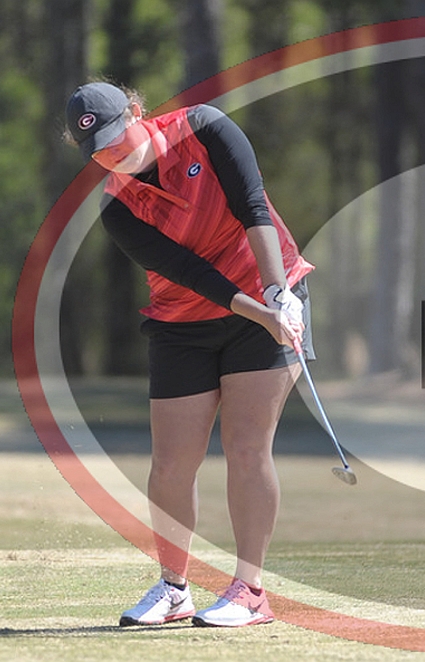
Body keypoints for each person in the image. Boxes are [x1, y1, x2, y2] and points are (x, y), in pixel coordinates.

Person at [65, 81, 315, 628]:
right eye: (99, 150)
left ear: (137, 112)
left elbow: (254, 208)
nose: (113, 153)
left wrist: (279, 295)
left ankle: (249, 592)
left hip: (269, 291)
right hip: (183, 318)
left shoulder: (204, 127)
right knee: (171, 463)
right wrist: (262, 311)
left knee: (247, 448)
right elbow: (191, 274)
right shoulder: (115, 208)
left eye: (116, 135)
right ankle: (175, 589)